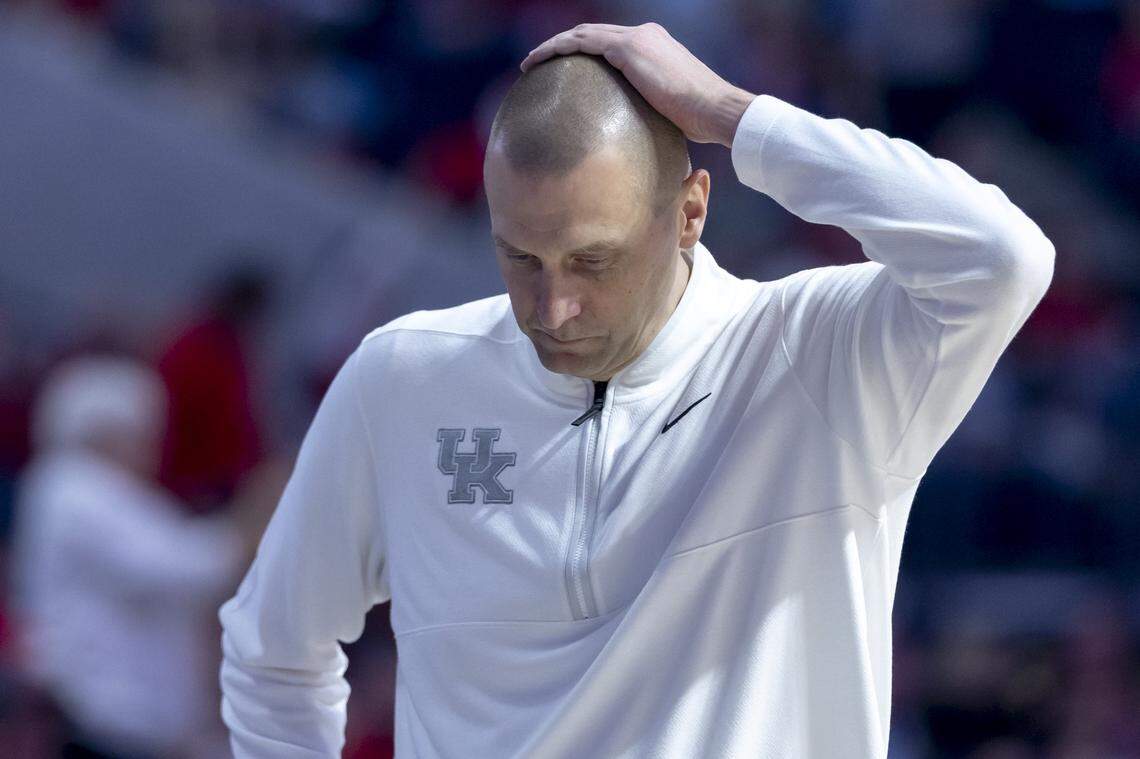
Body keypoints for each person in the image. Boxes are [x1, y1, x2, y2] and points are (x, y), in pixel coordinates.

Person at [218, 22, 1055, 759]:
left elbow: (1000, 256)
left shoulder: (819, 355)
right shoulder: (402, 377)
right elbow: (272, 651)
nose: (553, 307)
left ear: (691, 209)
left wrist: (729, 111)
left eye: (592, 260)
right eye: (520, 257)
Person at [8, 354, 252, 758]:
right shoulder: (74, 487)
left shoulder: (108, 494)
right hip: (96, 711)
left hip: (125, 718)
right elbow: (174, 568)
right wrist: (247, 529)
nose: (150, 448)